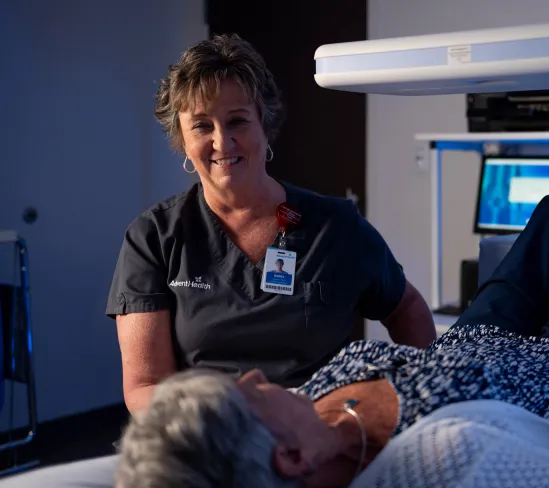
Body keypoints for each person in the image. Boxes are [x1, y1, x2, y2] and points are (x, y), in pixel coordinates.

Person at [114, 165, 549, 488]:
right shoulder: (440, 464)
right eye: (242, 399)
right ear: (291, 459)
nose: (246, 379)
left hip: (477, 339)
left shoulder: (304, 414)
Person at [106, 34, 436, 414]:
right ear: (182, 138)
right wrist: (225, 422)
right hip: (208, 433)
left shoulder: (334, 226)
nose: (222, 142)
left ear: (265, 124)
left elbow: (406, 308)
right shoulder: (154, 238)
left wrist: (416, 401)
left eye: (237, 121)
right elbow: (146, 386)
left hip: (317, 431)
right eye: (201, 126)